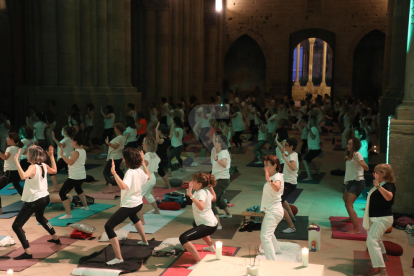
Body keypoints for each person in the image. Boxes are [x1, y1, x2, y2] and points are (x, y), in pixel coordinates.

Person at [12, 145, 60, 259]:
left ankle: (28, 252)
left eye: (28, 153)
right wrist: (52, 157)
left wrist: (16, 162)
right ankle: (55, 238)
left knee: (17, 225)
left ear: (32, 155)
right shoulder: (43, 165)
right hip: (45, 197)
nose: (27, 155)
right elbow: (55, 170)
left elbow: (23, 176)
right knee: (40, 217)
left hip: (35, 200)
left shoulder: (32, 167)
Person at [104, 148, 150, 265]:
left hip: (130, 205)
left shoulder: (130, 172)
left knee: (108, 226)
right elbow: (148, 176)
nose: (123, 159)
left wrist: (114, 173)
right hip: (138, 204)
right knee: (134, 216)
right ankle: (145, 241)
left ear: (127, 160)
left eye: (124, 157)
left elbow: (123, 186)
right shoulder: (139, 170)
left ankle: (119, 258)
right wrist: (143, 163)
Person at [363, 164, 396, 276]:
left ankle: (382, 270)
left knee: (371, 240)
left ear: (383, 174)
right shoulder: (381, 184)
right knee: (375, 238)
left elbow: (389, 197)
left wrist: (378, 186)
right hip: (376, 218)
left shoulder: (388, 185)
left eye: (376, 172)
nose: (373, 174)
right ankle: (384, 255)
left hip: (382, 218)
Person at [180, 172, 218, 270]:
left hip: (208, 226)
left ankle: (199, 262)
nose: (191, 182)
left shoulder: (201, 193)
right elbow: (213, 198)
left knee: (183, 238)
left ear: (200, 184)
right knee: (195, 223)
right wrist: (210, 187)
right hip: (212, 223)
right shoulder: (204, 191)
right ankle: (211, 247)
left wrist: (190, 195)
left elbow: (201, 207)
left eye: (193, 181)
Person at [58, 134, 89, 219]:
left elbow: (70, 162)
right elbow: (85, 160)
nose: (70, 142)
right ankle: (86, 206)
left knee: (62, 193)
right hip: (81, 175)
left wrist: (62, 155)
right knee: (78, 188)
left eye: (71, 141)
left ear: (75, 142)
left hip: (75, 177)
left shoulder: (76, 152)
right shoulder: (83, 150)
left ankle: (68, 214)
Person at [260, 155, 284, 260]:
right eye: (264, 165)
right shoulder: (275, 176)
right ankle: (277, 249)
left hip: (274, 211)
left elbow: (277, 188)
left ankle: (271, 262)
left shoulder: (276, 177)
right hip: (272, 210)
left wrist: (269, 180)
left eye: (267, 165)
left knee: (265, 237)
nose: (265, 168)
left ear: (275, 165)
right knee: (269, 232)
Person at [343, 137, 369, 234]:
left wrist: (359, 161)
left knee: (349, 204)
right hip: (351, 182)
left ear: (354, 146)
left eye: (350, 144)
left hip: (357, 182)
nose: (347, 145)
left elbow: (366, 168)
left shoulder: (357, 154)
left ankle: (356, 229)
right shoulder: (350, 154)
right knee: (345, 199)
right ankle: (351, 218)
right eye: (348, 143)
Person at [275, 137, 299, 234]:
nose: (284, 146)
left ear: (291, 147)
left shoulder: (291, 156)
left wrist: (284, 157)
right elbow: (284, 149)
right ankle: (292, 217)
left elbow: (293, 168)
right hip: (288, 182)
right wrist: (277, 142)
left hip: (289, 184)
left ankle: (291, 227)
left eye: (286, 145)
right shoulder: (293, 154)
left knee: (279, 202)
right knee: (282, 199)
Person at [138, 137, 161, 224]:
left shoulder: (147, 155)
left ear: (147, 145)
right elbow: (159, 159)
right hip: (152, 178)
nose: (142, 145)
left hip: (146, 179)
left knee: (137, 199)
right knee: (148, 195)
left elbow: (145, 163)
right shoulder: (154, 154)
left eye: (144, 143)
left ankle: (142, 220)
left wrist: (140, 160)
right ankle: (157, 210)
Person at [211, 134, 232, 230]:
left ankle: (218, 224)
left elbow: (224, 164)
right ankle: (228, 214)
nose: (214, 142)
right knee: (218, 199)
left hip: (222, 179)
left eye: (216, 141)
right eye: (214, 140)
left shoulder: (223, 152)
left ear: (221, 143)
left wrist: (216, 158)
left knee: (211, 201)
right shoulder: (215, 150)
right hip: (218, 178)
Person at [0, 133, 24, 213]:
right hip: (17, 172)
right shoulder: (20, 148)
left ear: (12, 140)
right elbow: (25, 152)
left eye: (8, 138)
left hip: (9, 173)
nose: (6, 139)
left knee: (16, 185)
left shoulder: (10, 149)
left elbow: (4, 157)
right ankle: (27, 200)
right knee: (16, 185)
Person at [50, 126, 75, 193]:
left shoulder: (66, 139)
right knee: (70, 173)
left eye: (62, 130)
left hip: (64, 158)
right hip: (67, 158)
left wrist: (54, 138)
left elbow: (61, 145)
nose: (61, 132)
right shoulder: (70, 139)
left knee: (51, 172)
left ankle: (56, 188)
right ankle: (72, 185)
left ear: (65, 132)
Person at [103, 123, 126, 193]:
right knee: (117, 170)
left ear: (118, 129)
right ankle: (126, 182)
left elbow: (116, 146)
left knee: (106, 172)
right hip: (118, 156)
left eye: (115, 128)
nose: (114, 130)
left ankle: (110, 188)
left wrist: (108, 143)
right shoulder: (123, 137)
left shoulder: (119, 138)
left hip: (114, 157)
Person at [302, 116, 321, 180]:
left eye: (309, 121)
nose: (308, 122)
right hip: (314, 149)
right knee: (309, 160)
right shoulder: (314, 128)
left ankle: (309, 177)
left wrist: (309, 129)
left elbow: (313, 137)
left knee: (305, 160)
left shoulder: (313, 128)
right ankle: (316, 171)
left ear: (312, 122)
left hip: (315, 149)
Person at [155, 123, 171, 189]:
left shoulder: (162, 140)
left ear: (160, 131)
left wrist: (156, 129)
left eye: (158, 131)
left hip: (161, 158)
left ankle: (168, 185)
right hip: (164, 157)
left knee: (160, 171)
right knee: (160, 171)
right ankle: (168, 185)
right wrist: (172, 125)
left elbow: (157, 141)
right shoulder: (168, 138)